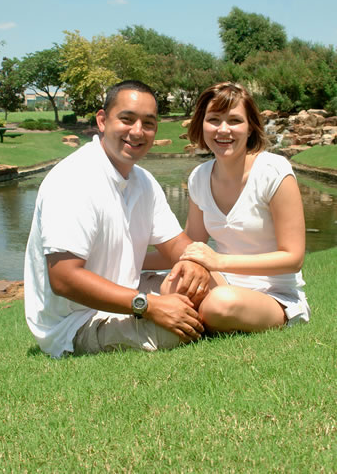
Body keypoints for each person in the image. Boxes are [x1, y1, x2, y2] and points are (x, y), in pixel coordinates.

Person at [24, 80, 210, 358]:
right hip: (76, 322)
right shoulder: (73, 180)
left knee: (213, 285)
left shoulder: (143, 181)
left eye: (148, 123)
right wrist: (150, 306)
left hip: (128, 291)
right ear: (102, 120)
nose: (137, 131)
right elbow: (63, 279)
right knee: (176, 329)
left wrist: (195, 262)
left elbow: (176, 247)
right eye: (127, 119)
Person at [161, 82, 310, 333]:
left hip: (274, 293)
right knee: (172, 284)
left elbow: (293, 259)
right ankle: (199, 317)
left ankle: (202, 318)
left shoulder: (273, 171)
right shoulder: (199, 176)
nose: (223, 130)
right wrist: (133, 258)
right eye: (214, 119)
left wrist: (218, 261)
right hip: (225, 281)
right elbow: (191, 247)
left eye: (234, 120)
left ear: (250, 127)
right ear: (202, 124)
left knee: (220, 304)